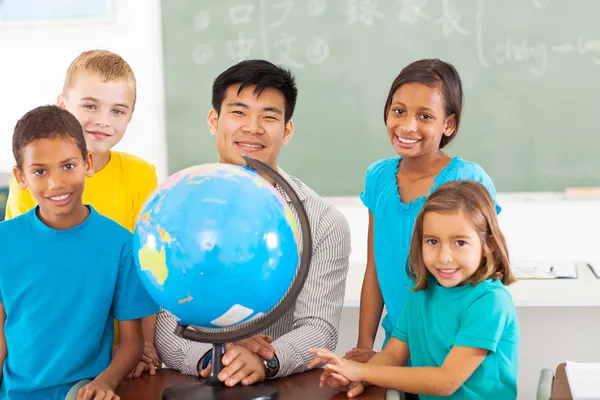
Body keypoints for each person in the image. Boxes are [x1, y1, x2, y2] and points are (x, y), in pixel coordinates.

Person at [155, 59, 351, 387]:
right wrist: (213, 356)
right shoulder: (173, 211)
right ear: (213, 120)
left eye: (269, 116)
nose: (253, 127)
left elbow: (320, 328)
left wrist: (265, 359)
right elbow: (167, 325)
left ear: (287, 130)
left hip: (279, 389)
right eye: (239, 112)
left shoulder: (323, 222)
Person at [4, 50, 160, 377]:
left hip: (122, 353)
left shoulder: (141, 174)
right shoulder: (29, 184)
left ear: (130, 116)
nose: (102, 120)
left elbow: (149, 265)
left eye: (117, 110)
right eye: (90, 105)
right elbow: (21, 277)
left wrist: (144, 346)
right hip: (50, 354)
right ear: (63, 105)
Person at [346, 59, 502, 363]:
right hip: (397, 349)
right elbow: (374, 270)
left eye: (425, 116)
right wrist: (365, 346)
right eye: (399, 111)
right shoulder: (378, 178)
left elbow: (484, 274)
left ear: (448, 124)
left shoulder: (468, 180)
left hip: (454, 349)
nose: (407, 126)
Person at [310, 180, 519, 399]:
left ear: (489, 246)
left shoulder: (490, 302)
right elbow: (393, 354)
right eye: (432, 241)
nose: (444, 257)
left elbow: (446, 381)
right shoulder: (421, 294)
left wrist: (362, 370)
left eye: (460, 243)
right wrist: (354, 378)